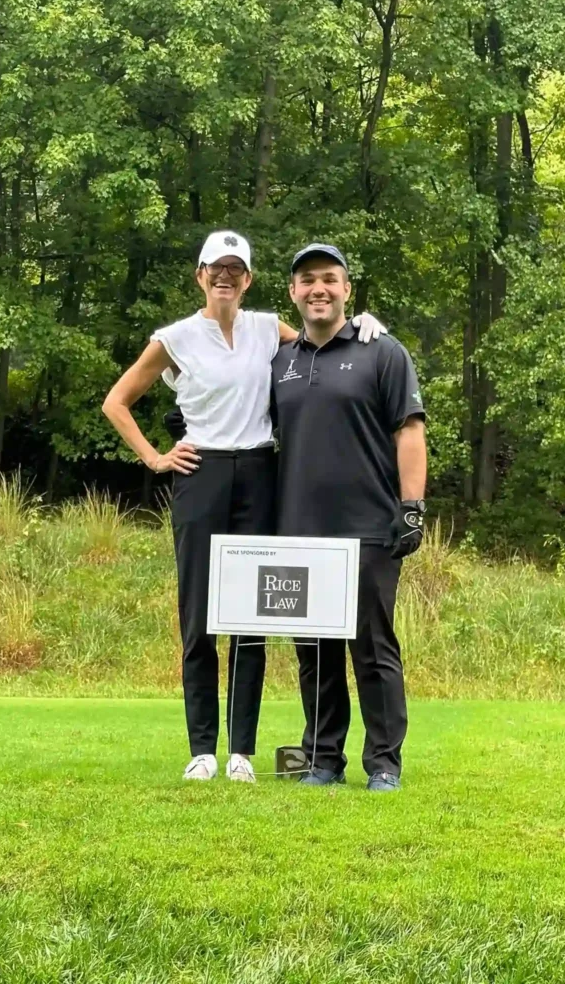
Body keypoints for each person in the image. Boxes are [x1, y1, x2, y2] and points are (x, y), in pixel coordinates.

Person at [102, 230, 384, 783]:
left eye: (236, 269)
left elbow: (321, 341)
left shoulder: (264, 328)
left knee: (250, 617)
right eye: (215, 268)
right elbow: (117, 401)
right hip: (200, 472)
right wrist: (156, 458)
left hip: (259, 472)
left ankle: (241, 753)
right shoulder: (175, 337)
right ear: (200, 275)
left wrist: (367, 328)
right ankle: (203, 748)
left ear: (248, 278)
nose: (225, 277)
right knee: (199, 615)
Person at [270, 243, 427, 792]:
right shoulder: (280, 361)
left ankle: (384, 763)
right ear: (292, 292)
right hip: (296, 530)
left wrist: (413, 507)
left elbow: (408, 427)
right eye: (308, 280)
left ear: (346, 290)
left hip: (369, 526)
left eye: (330, 279)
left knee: (373, 649)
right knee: (314, 652)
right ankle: (321, 759)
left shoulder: (382, 351)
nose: (319, 288)